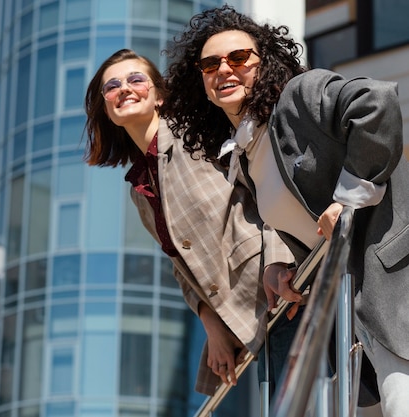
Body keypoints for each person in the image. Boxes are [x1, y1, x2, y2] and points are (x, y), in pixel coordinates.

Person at [162, 5, 409, 415]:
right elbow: (305, 221)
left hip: (395, 282)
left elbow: (376, 103)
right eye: (209, 65)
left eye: (239, 58)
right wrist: (284, 266)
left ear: (264, 64)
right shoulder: (243, 154)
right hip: (357, 310)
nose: (224, 69)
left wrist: (347, 198)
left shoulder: (300, 96)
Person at [83, 48, 296, 397]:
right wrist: (210, 323)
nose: (124, 88)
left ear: (160, 96)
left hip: (284, 289)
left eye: (136, 79)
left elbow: (265, 188)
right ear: (105, 107)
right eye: (112, 86)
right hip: (244, 323)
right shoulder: (139, 187)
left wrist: (279, 260)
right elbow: (180, 262)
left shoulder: (193, 135)